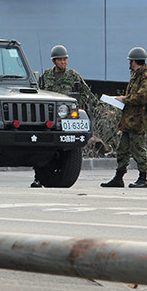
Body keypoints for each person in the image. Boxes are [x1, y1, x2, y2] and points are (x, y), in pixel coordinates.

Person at [31, 44, 93, 188]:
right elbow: (39, 93)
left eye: (65, 59)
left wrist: (78, 107)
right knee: (42, 147)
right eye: (60, 60)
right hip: (49, 118)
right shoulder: (47, 76)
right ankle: (38, 177)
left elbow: (85, 92)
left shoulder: (73, 76)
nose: (63, 62)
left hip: (66, 118)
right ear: (54, 61)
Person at [101, 47, 147, 189]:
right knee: (122, 149)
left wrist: (123, 99)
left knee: (138, 149)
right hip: (129, 120)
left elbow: (142, 97)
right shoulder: (136, 76)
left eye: (130, 61)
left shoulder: (146, 78)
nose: (129, 64)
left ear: (133, 61)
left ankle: (143, 178)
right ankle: (118, 178)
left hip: (138, 121)